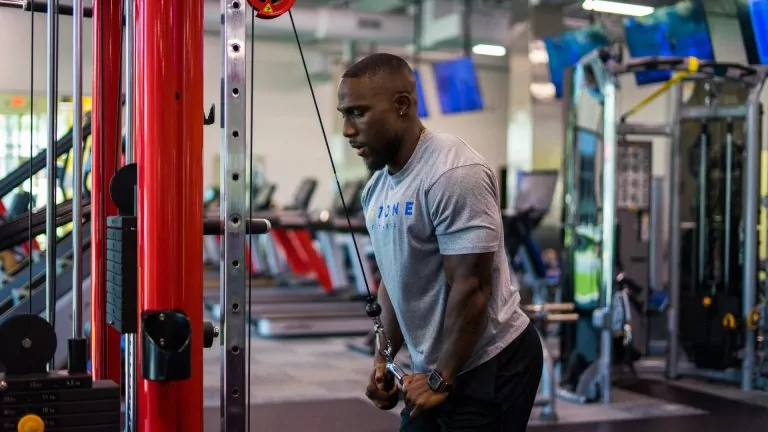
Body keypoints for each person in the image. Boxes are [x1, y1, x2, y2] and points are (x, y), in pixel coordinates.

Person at [337, 52, 543, 431]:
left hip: (491, 360)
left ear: (402, 105)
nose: (348, 130)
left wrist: (441, 377)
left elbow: (471, 286)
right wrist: (383, 358)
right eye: (344, 115)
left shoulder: (453, 172)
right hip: (437, 363)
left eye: (358, 113)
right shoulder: (376, 190)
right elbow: (393, 282)